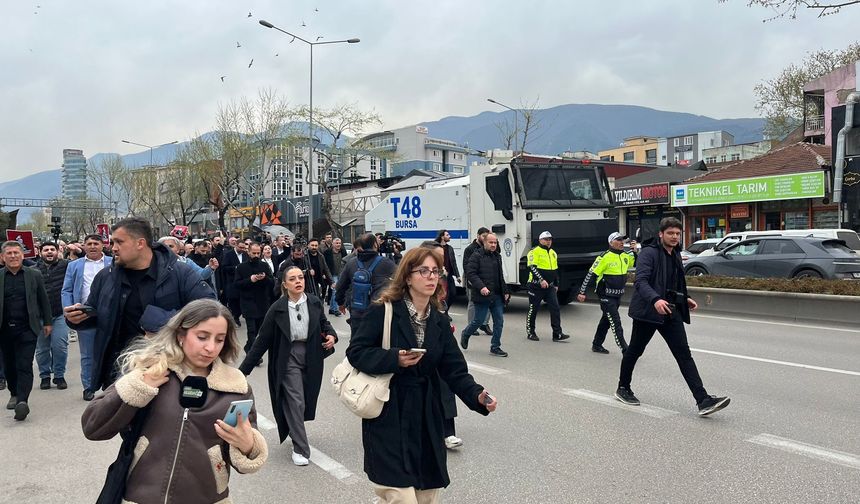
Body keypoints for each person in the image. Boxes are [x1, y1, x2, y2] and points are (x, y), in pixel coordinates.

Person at [346, 247, 497, 502]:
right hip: (389, 411)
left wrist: (476, 394)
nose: (431, 277)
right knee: (400, 494)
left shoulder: (438, 318)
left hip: (426, 414)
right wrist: (395, 359)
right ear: (407, 276)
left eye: (435, 271)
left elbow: (454, 368)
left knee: (426, 494)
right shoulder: (384, 310)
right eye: (423, 271)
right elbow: (357, 352)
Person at [81, 299, 268, 503]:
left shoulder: (235, 388)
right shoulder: (151, 371)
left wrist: (249, 446)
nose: (210, 348)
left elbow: (245, 460)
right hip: (141, 496)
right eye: (202, 337)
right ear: (181, 335)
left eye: (219, 339)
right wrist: (139, 387)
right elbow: (94, 427)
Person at [64, 217, 216, 393]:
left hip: (166, 371)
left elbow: (209, 310)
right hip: (118, 371)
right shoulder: (106, 277)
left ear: (140, 243)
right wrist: (77, 318)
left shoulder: (179, 273)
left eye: (119, 242)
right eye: (112, 242)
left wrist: (161, 322)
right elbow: (97, 313)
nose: (113, 248)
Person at [616, 217, 730, 416]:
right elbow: (640, 282)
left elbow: (675, 283)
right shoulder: (648, 253)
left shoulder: (675, 254)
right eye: (670, 233)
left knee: (684, 355)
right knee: (635, 351)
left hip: (670, 310)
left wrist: (685, 298)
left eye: (677, 233)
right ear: (661, 234)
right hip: (648, 312)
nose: (675, 237)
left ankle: (703, 400)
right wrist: (655, 300)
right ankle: (623, 388)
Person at [240, 265, 336, 466]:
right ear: (285, 284)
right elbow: (261, 341)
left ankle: (294, 428)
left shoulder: (314, 302)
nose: (298, 281)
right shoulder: (277, 309)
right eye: (292, 279)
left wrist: (331, 335)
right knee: (295, 400)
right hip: (288, 357)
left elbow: (324, 323)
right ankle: (301, 448)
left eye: (300, 277)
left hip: (311, 356)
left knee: (306, 400)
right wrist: (242, 372)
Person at [0, 241, 52, 421]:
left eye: (16, 253)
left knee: (24, 364)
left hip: (27, 328)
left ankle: (23, 401)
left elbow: (43, 299)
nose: (13, 256)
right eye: (9, 253)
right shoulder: (0, 276)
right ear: (2, 257)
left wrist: (47, 321)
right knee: (9, 365)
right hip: (4, 329)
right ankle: (14, 393)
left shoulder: (34, 275)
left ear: (23, 255)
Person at [62, 234, 113, 400]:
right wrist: (68, 310)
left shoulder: (113, 262)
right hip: (84, 313)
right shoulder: (74, 265)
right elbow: (67, 289)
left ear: (102, 245)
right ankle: (88, 387)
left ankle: (110, 387)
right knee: (87, 354)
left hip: (109, 313)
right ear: (83, 246)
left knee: (110, 350)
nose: (92, 246)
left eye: (95, 243)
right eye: (89, 244)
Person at [577, 232, 637, 353]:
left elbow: (635, 263)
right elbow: (591, 274)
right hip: (605, 295)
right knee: (615, 322)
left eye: (622, 240)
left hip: (618, 294)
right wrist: (582, 292)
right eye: (618, 240)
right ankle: (625, 349)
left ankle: (597, 344)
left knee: (606, 321)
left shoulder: (625, 256)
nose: (621, 242)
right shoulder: (603, 257)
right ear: (611, 242)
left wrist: (634, 251)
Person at [461, 233, 510, 357]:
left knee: (499, 321)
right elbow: (471, 273)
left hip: (497, 295)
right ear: (484, 242)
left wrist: (505, 291)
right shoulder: (476, 256)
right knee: (478, 321)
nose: (493, 245)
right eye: (491, 242)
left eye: (495, 243)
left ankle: (495, 347)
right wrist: (481, 287)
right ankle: (466, 334)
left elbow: (500, 277)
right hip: (483, 295)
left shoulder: (497, 256)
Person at [335, 233, 397, 328]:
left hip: (357, 310)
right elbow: (400, 279)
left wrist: (340, 303)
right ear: (375, 245)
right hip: (378, 311)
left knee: (356, 339)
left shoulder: (351, 263)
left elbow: (340, 286)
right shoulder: (386, 263)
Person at [34, 242, 70, 390]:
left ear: (57, 251)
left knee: (59, 346)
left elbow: (82, 261)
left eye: (52, 249)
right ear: (40, 252)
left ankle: (59, 375)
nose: (49, 252)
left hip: (60, 313)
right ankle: (45, 376)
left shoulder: (66, 266)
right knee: (42, 349)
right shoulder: (33, 270)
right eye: (46, 250)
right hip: (40, 316)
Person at [525, 231, 570, 343]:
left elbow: (555, 270)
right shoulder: (533, 252)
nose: (548, 241)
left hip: (549, 287)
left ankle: (557, 333)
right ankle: (531, 332)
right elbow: (532, 267)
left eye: (550, 239)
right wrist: (541, 279)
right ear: (540, 240)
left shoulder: (553, 253)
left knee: (555, 308)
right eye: (546, 239)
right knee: (533, 309)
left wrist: (556, 284)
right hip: (535, 285)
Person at [235, 243, 274, 354]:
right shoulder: (241, 267)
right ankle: (253, 354)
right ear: (249, 252)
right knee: (251, 331)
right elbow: (237, 284)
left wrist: (264, 278)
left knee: (259, 330)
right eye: (254, 253)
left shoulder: (264, 265)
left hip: (262, 302)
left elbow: (272, 282)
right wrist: (250, 280)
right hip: (248, 302)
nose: (256, 255)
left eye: (258, 253)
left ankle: (248, 347)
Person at [463, 227, 492, 336]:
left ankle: (485, 324)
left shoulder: (488, 248)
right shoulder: (470, 249)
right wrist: (470, 280)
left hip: (486, 280)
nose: (485, 238)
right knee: (472, 303)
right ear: (478, 236)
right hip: (473, 280)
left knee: (488, 302)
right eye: (483, 236)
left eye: (487, 236)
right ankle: (471, 325)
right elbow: (466, 266)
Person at [220, 240, 248, 325]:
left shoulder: (245, 255)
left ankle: (236, 316)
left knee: (241, 302)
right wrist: (235, 268)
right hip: (232, 282)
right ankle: (234, 317)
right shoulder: (229, 254)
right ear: (236, 245)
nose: (242, 249)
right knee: (233, 301)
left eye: (243, 247)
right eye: (240, 247)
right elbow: (224, 267)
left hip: (242, 282)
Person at [435, 230, 461, 314]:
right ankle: (441, 313)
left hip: (448, 275)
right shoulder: (436, 247)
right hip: (440, 275)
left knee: (453, 294)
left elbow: (453, 263)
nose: (449, 236)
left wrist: (457, 276)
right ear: (442, 237)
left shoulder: (450, 248)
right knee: (442, 295)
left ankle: (445, 311)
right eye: (447, 235)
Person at [323, 237, 347, 316]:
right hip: (331, 274)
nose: (338, 245)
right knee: (335, 291)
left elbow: (346, 262)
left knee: (337, 291)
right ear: (332, 244)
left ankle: (332, 309)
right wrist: (324, 274)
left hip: (341, 274)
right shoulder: (327, 252)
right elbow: (324, 264)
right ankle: (335, 309)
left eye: (339, 243)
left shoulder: (343, 251)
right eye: (336, 243)